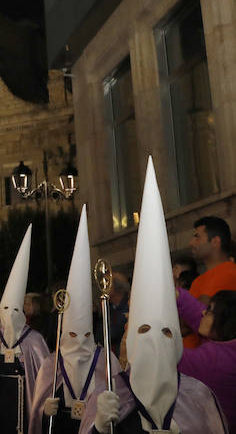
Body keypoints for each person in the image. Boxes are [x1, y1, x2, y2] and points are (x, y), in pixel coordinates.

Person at [77, 158, 227, 434]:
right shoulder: (109, 395)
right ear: (131, 336)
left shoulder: (198, 398)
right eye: (144, 330)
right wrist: (97, 427)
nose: (155, 344)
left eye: (167, 333)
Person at [30, 207, 120, 434]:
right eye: (72, 335)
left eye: (86, 336)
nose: (80, 342)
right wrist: (42, 411)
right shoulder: (51, 365)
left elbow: (122, 404)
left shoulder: (105, 361)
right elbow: (36, 415)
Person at [0, 226, 51, 434]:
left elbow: (44, 379)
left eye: (15, 309)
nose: (10, 314)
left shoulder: (35, 340)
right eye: (5, 309)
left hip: (24, 407)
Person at [175, 288, 236, 430]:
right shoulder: (229, 343)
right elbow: (197, 312)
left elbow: (165, 356)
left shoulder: (218, 360)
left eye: (209, 310)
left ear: (225, 322)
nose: (203, 312)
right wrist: (177, 295)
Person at [185, 216, 236, 348]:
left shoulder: (227, 272)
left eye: (197, 237)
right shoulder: (199, 280)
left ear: (215, 241)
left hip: (204, 362)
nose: (191, 243)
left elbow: (193, 321)